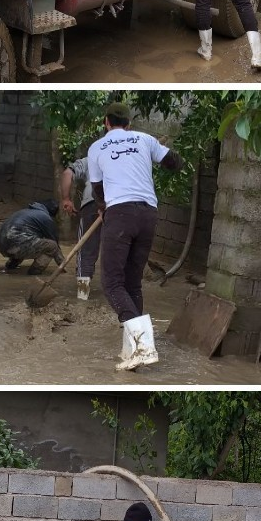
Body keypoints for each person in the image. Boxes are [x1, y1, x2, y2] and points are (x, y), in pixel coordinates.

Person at [87, 102, 183, 371]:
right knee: (132, 284)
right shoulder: (145, 139)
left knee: (111, 283)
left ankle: (143, 346)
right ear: (128, 123)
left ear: (106, 122)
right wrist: (161, 152)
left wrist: (103, 208)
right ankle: (133, 353)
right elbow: (174, 162)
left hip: (120, 215)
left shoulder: (97, 148)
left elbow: (98, 189)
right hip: (148, 215)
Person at [60, 157, 102, 300]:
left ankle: (82, 296)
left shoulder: (92, 158)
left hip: (93, 202)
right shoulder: (129, 156)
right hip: (122, 205)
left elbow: (67, 173)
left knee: (86, 252)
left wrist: (66, 199)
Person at [0, 200, 64, 274]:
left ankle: (11, 266)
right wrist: (62, 266)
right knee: (52, 246)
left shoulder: (25, 211)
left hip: (0, 243)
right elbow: (56, 246)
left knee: (27, 239)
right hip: (16, 243)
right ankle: (35, 271)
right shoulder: (45, 218)